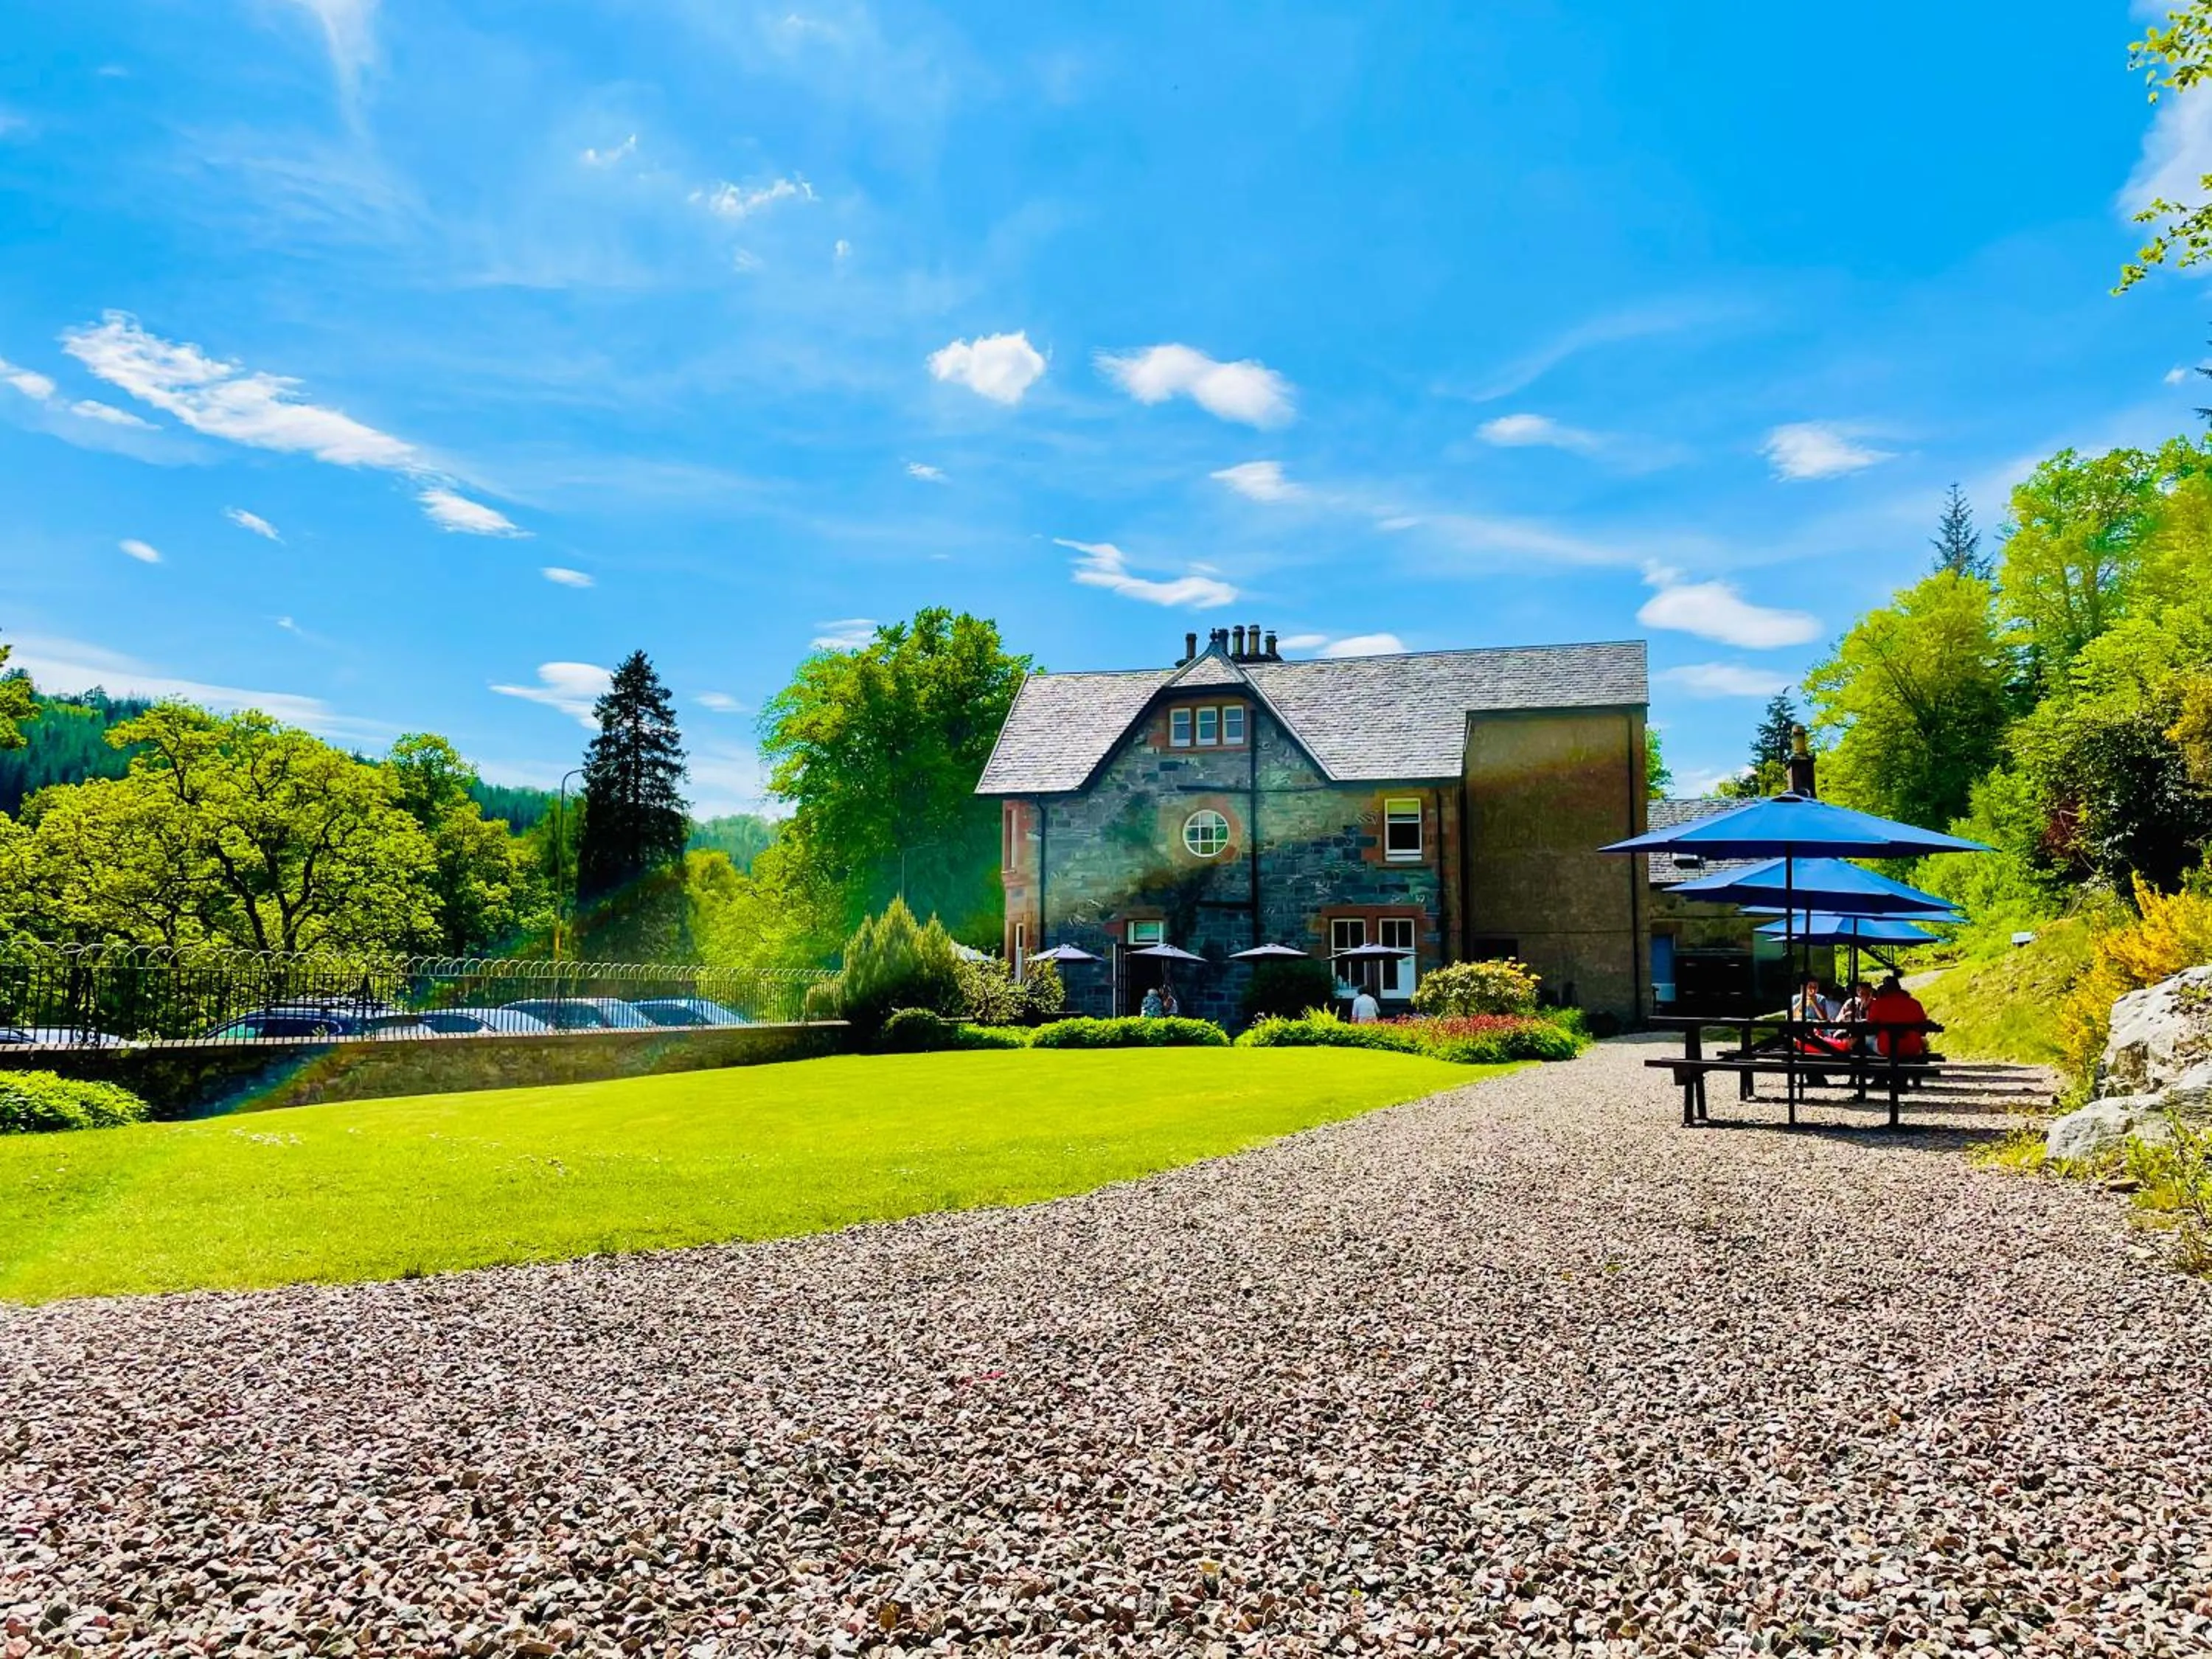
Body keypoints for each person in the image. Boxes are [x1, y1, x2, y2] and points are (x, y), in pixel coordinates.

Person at [1865, 974, 1929, 1060]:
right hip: (1912, 1047)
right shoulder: (1915, 1004)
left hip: (1886, 1047)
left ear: (1884, 990)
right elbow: (1923, 1027)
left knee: (1865, 1040)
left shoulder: (1879, 1004)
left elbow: (1870, 1024)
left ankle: (1870, 1067)